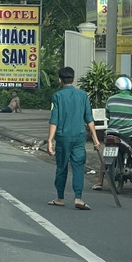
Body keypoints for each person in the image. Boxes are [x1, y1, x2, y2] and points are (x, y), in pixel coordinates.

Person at [46, 66, 100, 210]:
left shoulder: (57, 96)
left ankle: (60, 198)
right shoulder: (83, 95)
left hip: (63, 137)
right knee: (78, 167)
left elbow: (54, 119)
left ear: (59, 80)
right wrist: (95, 139)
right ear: (74, 79)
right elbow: (89, 118)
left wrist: (50, 140)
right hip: (79, 137)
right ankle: (78, 198)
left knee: (62, 167)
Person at [92, 76, 132, 191]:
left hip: (111, 132)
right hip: (127, 133)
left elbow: (108, 115)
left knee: (106, 155)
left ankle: (99, 182)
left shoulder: (110, 100)